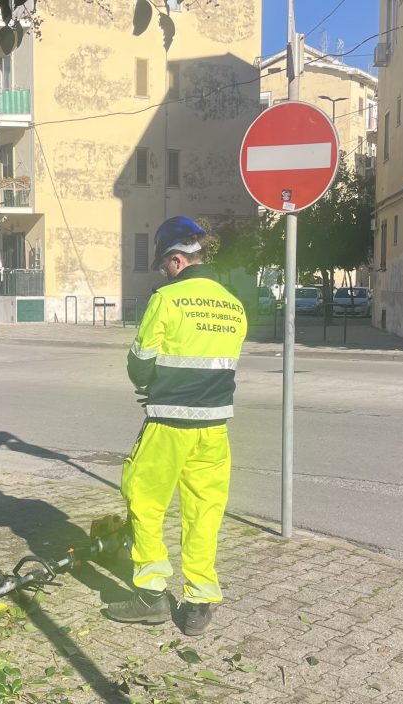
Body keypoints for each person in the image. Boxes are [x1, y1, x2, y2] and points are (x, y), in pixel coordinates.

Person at [104, 216, 248, 637]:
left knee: (143, 499)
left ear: (178, 259)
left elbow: (139, 364)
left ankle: (151, 595)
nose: (164, 271)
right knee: (205, 512)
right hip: (215, 428)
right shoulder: (232, 304)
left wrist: (154, 385)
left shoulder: (167, 300)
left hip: (168, 423)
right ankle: (199, 602)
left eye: (165, 263)